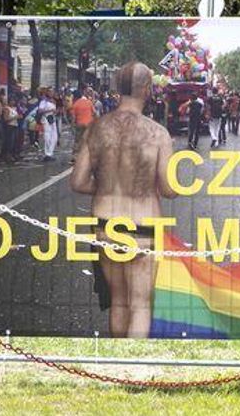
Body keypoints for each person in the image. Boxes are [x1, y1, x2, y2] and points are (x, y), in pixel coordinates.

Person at [70, 62, 177, 338]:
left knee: (118, 300)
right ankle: (133, 370)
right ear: (147, 90)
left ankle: (115, 365)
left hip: (105, 224)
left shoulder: (97, 128)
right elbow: (167, 188)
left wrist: (105, 186)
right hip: (143, 225)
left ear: (118, 88)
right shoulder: (158, 134)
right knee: (140, 305)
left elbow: (79, 182)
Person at [36, 89, 59, 161]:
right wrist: (50, 111)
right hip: (46, 119)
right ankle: (47, 154)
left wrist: (56, 112)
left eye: (53, 92)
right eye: (50, 92)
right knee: (47, 136)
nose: (52, 93)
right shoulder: (44, 102)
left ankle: (50, 152)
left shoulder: (54, 101)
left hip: (53, 119)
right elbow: (40, 110)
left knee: (54, 137)